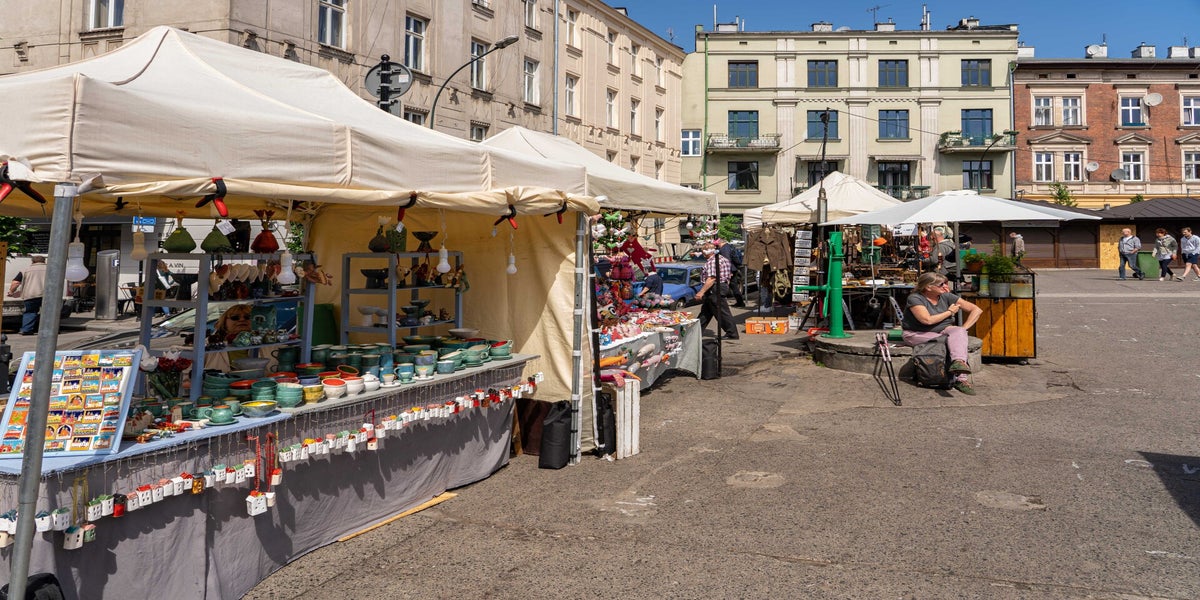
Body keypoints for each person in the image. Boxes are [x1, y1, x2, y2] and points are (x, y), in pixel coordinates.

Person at [902, 272, 982, 395]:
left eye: (945, 283)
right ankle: (960, 379)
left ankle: (959, 367)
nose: (945, 286)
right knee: (951, 342)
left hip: (943, 330)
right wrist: (950, 312)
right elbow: (927, 320)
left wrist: (962, 330)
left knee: (958, 334)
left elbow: (976, 310)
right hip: (917, 333)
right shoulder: (915, 298)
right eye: (941, 284)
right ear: (928, 287)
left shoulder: (946, 296)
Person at [695, 242, 738, 339]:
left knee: (722, 312)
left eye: (703, 252)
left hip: (715, 288)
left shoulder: (712, 261)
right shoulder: (722, 259)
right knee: (706, 312)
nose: (703, 254)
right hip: (720, 286)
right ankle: (696, 331)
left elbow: (711, 278)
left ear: (708, 252)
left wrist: (701, 292)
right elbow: (729, 274)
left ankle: (732, 333)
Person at [7, 255, 47, 335]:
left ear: (32, 262)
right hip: (48, 295)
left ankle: (26, 330)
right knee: (48, 312)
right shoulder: (50, 269)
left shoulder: (25, 270)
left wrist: (11, 292)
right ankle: (49, 330)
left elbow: (16, 283)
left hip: (30, 296)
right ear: (44, 261)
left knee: (30, 312)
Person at [716, 238, 746, 307]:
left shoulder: (724, 249)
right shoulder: (729, 246)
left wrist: (729, 272)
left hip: (730, 270)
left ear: (720, 242)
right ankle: (740, 302)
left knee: (728, 286)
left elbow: (727, 260)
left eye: (717, 244)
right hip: (733, 268)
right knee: (733, 286)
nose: (717, 245)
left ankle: (738, 302)